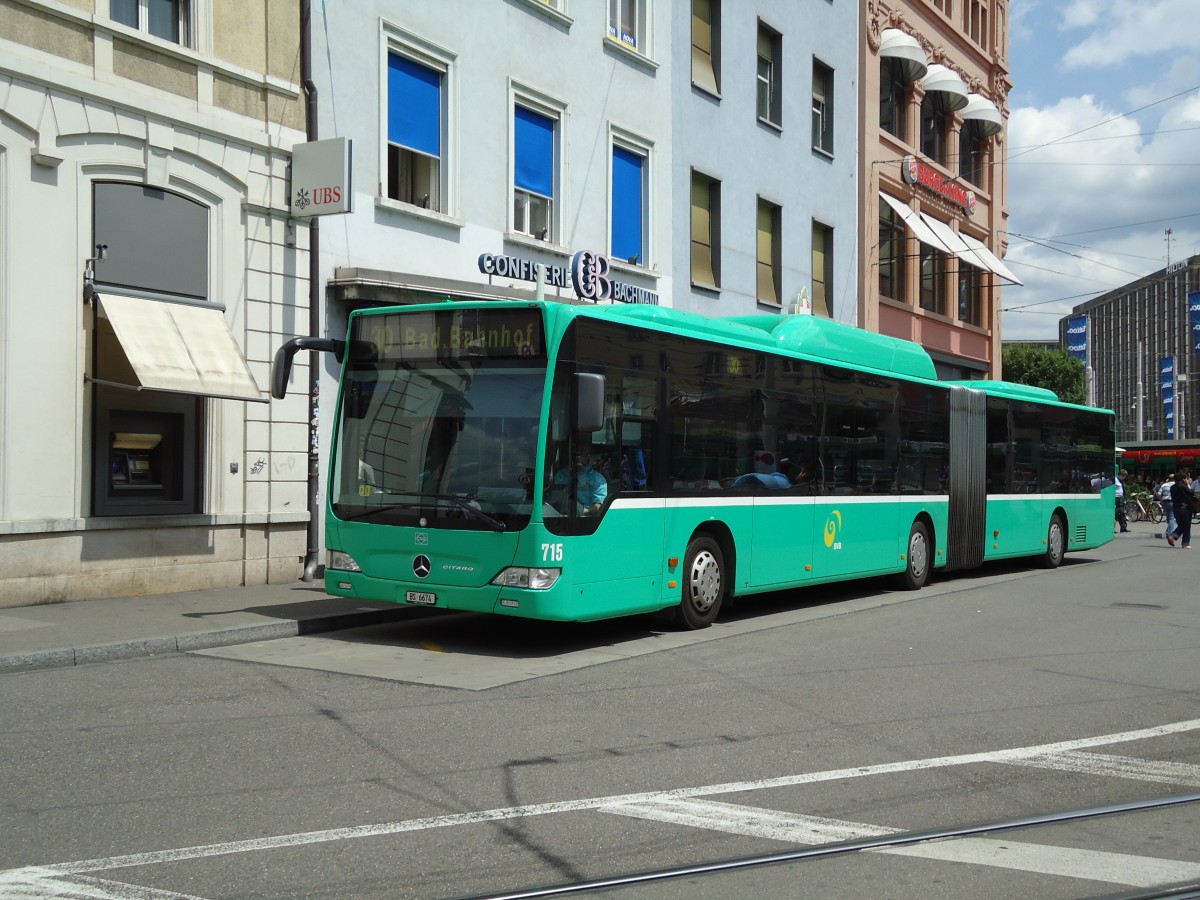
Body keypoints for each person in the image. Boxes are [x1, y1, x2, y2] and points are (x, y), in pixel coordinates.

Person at [1168, 470, 1197, 548]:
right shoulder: (1182, 485)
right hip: (1185, 507)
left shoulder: (1172, 487)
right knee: (1187, 525)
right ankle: (1185, 543)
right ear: (1184, 478)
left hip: (1175, 507)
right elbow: (1191, 493)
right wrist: (1188, 484)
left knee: (1181, 525)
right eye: (1186, 478)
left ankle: (1173, 536)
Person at [1158, 472, 1177, 540]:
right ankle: (1169, 533)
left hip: (1165, 502)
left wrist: (1161, 500)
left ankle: (1169, 530)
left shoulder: (1164, 485)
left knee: (1169, 517)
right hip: (1173, 501)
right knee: (1172, 517)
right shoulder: (1176, 485)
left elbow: (1159, 494)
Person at [1115, 468, 1129, 533]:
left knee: (1122, 513)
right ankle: (1112, 529)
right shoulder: (1115, 480)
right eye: (1124, 476)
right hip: (1116, 498)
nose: (1124, 478)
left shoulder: (1121, 481)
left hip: (1120, 498)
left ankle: (1123, 528)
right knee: (1115, 513)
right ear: (1120, 475)